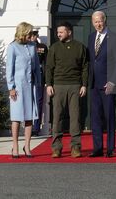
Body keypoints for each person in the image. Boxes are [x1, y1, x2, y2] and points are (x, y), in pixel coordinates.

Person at [44, 19, 89, 158]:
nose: (58, 34)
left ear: (69, 32)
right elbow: (49, 67)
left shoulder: (80, 47)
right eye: (57, 32)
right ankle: (56, 148)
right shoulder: (54, 48)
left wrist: (84, 84)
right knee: (57, 117)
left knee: (75, 118)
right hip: (58, 86)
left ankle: (75, 147)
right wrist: (49, 84)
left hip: (75, 86)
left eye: (61, 32)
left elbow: (85, 68)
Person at [86, 10, 116, 157]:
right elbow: (91, 60)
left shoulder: (114, 37)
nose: (98, 24)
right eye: (95, 21)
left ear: (105, 20)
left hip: (108, 84)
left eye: (100, 21)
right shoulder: (91, 37)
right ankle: (97, 148)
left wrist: (113, 81)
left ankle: (110, 149)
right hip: (94, 84)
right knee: (95, 117)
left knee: (109, 117)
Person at [6, 21, 41, 158]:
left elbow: (36, 65)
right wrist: (11, 87)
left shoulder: (32, 46)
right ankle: (15, 146)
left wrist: (38, 81)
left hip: (30, 86)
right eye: (29, 33)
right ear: (23, 33)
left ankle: (27, 146)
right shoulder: (12, 47)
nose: (31, 35)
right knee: (16, 117)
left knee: (29, 118)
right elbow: (10, 68)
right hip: (17, 87)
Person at [30, 28, 48, 136]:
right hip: (27, 75)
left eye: (34, 35)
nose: (33, 37)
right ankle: (28, 126)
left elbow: (46, 64)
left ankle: (36, 127)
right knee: (28, 101)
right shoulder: (24, 46)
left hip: (38, 75)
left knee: (38, 101)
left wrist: (46, 79)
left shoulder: (42, 47)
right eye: (31, 35)